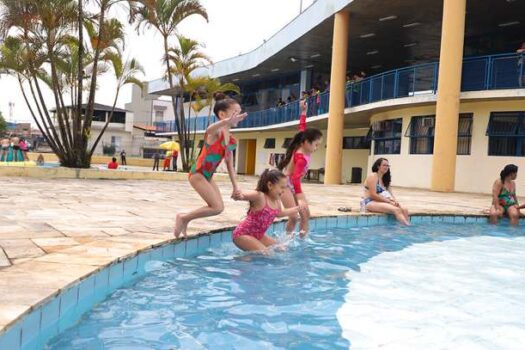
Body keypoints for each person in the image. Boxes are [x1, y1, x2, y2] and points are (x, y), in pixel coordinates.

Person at [174, 92, 247, 238]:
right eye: (235, 113)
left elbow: (230, 166)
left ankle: (185, 218)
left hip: (207, 176)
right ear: (222, 114)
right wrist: (225, 122)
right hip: (198, 174)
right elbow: (209, 130)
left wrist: (235, 187)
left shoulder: (231, 141)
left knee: (219, 208)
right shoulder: (216, 133)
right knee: (216, 207)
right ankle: (183, 218)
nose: (238, 117)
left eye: (239, 113)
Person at [231, 169, 304, 253]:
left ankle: (246, 260)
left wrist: (297, 208)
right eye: (282, 187)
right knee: (266, 253)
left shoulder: (276, 200)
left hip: (258, 235)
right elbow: (243, 195)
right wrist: (239, 195)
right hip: (243, 234)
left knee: (281, 249)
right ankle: (241, 262)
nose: (284, 191)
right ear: (270, 185)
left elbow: (279, 213)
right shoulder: (260, 196)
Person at [278, 128, 323, 237]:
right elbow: (295, 178)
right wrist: (299, 197)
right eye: (315, 145)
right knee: (293, 217)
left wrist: (303, 114)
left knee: (306, 215)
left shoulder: (301, 145)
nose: (316, 148)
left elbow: (302, 130)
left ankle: (302, 241)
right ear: (306, 142)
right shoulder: (301, 158)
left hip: (292, 185)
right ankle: (287, 241)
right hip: (285, 186)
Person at [361, 158, 410, 225]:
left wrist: (395, 201)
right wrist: (389, 202)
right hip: (369, 201)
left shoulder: (386, 179)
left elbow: (391, 194)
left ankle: (403, 228)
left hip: (382, 201)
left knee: (405, 209)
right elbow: (373, 195)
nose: (386, 167)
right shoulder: (373, 176)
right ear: (378, 166)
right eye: (384, 165)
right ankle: (407, 227)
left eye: (387, 166)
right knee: (396, 210)